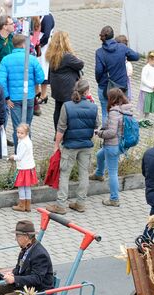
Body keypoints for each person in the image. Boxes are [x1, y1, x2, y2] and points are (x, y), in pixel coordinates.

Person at [51, 79, 99, 214]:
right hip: (86, 145)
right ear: (87, 91)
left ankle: (61, 205)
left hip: (70, 145)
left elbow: (61, 129)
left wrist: (56, 145)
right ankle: (81, 203)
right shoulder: (93, 107)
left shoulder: (67, 106)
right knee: (84, 174)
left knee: (65, 174)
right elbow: (96, 126)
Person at [0, 33, 45, 147]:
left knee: (17, 127)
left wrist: (7, 97)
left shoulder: (6, 60)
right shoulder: (32, 59)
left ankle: (18, 152)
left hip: (13, 99)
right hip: (28, 96)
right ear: (24, 44)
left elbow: (1, 81)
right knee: (27, 126)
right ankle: (27, 152)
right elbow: (41, 78)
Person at [94, 88, 133, 207]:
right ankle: (99, 173)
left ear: (112, 99)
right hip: (121, 144)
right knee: (99, 155)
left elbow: (111, 132)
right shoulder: (126, 110)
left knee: (112, 173)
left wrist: (99, 133)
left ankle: (114, 199)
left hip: (112, 145)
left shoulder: (114, 112)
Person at [94, 25, 139, 123]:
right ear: (113, 36)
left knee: (106, 112)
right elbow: (136, 56)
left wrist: (99, 81)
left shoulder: (99, 52)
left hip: (105, 86)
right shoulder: (122, 47)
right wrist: (125, 57)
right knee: (123, 111)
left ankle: (107, 136)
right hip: (121, 86)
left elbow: (98, 71)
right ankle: (122, 134)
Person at [46, 30, 84, 130]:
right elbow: (80, 64)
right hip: (67, 87)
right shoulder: (67, 56)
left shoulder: (51, 54)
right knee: (69, 109)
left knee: (58, 108)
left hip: (56, 86)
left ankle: (57, 131)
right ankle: (67, 131)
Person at [9, 124, 37, 212]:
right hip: (30, 167)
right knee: (27, 187)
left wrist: (13, 157)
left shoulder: (23, 143)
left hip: (23, 168)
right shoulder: (28, 141)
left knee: (21, 186)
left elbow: (19, 157)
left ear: (26, 133)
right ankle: (28, 205)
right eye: (18, 132)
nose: (19, 134)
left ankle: (21, 205)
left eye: (22, 133)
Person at [137, 51, 154, 128]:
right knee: (144, 106)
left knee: (149, 106)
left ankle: (146, 119)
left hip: (153, 90)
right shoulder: (146, 68)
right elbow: (143, 80)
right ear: (149, 59)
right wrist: (152, 86)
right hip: (146, 90)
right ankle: (140, 120)